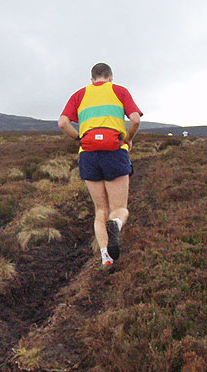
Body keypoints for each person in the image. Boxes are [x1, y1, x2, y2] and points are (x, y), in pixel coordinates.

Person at [58, 63, 142, 271]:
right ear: (110, 77)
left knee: (100, 210)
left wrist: (79, 139)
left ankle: (106, 258)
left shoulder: (79, 95)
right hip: (115, 152)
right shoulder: (119, 91)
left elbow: (62, 123)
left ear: (92, 79)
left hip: (88, 155)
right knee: (119, 208)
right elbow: (135, 119)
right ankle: (117, 225)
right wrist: (128, 138)